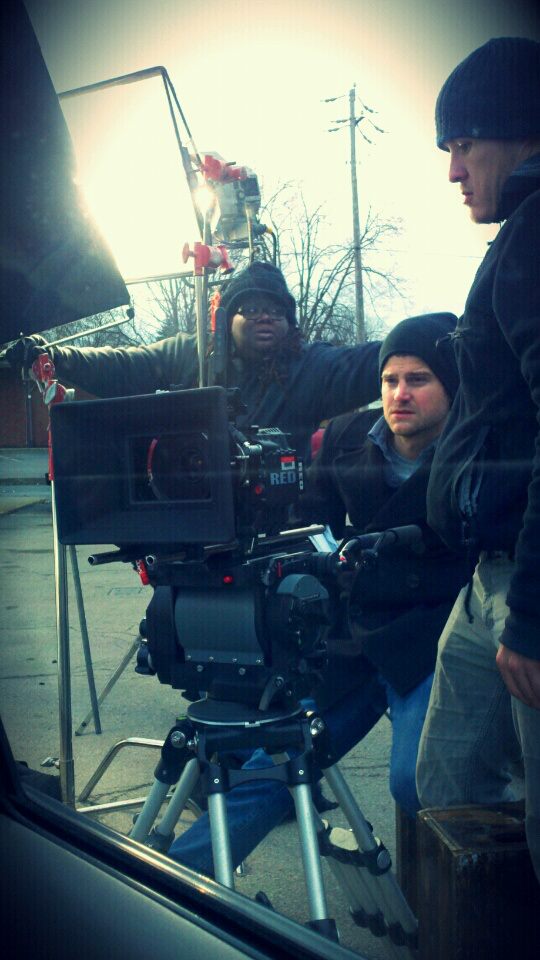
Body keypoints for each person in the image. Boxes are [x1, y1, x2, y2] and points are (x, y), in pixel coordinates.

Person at [165, 312, 471, 877]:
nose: (399, 395)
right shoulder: (347, 439)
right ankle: (172, 885)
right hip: (348, 640)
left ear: (452, 386)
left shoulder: (476, 451)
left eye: (419, 380)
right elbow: (308, 527)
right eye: (389, 380)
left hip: (433, 641)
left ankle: (458, 913)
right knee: (275, 766)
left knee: (417, 780)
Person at [415, 37, 540, 885]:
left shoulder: (534, 237)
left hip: (524, 592)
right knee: (445, 785)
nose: (454, 171)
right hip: (483, 584)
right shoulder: (516, 239)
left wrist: (533, 612)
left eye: (464, 144)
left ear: (519, 132)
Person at [5, 260, 382, 464]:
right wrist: (53, 355)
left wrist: (427, 342)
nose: (264, 317)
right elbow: (123, 365)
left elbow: (371, 362)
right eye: (250, 309)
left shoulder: (312, 367)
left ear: (290, 321)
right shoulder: (190, 354)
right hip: (194, 513)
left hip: (283, 527)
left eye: (275, 310)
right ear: (226, 320)